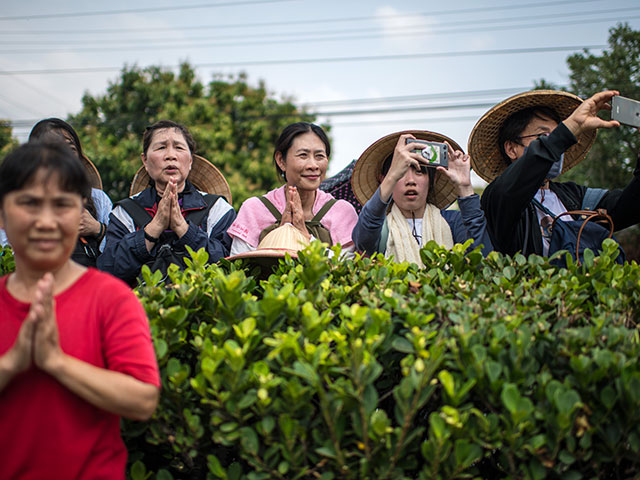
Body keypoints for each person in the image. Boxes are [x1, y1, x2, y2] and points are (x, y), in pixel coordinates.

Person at [0, 142, 160, 479]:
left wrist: (56, 362)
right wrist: (14, 362)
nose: (45, 221)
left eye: (62, 205)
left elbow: (143, 399)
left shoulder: (111, 298)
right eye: (29, 203)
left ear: (82, 214)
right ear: (2, 213)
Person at [469, 89, 640, 257]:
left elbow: (630, 207)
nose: (556, 146)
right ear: (512, 149)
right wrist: (571, 128)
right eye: (544, 136)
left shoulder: (575, 197)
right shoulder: (499, 198)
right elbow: (519, 178)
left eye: (556, 135)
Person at [98, 120, 236, 285]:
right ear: (145, 161)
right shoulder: (124, 212)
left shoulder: (218, 210)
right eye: (161, 147)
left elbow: (230, 268)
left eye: (179, 147)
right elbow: (107, 270)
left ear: (190, 160)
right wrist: (154, 227)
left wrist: (182, 228)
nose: (171, 155)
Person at [351, 130, 492, 265]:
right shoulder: (381, 229)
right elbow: (364, 240)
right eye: (401, 173)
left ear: (433, 179)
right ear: (385, 179)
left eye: (419, 171)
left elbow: (482, 258)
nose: (410, 180)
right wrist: (393, 175)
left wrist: (464, 188)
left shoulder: (453, 222)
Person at [228, 122, 358, 255]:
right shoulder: (254, 209)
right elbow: (240, 267)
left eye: (319, 156)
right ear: (281, 161)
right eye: (303, 155)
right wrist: (281, 234)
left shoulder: (342, 212)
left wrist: (305, 236)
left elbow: (347, 268)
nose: (313, 165)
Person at [3, 118, 113, 265]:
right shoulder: (16, 203)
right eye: (56, 149)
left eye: (71, 149)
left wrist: (98, 229)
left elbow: (119, 254)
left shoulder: (98, 199)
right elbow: (7, 255)